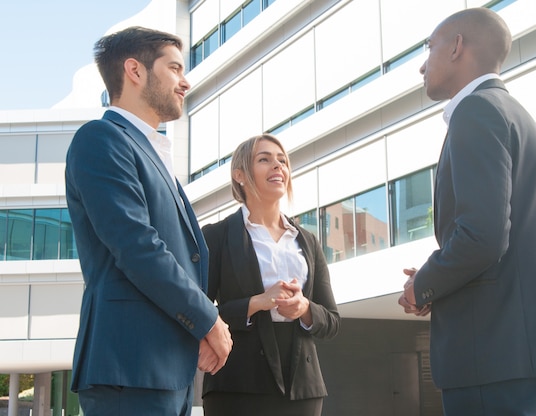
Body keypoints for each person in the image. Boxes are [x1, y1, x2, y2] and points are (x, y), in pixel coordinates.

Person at [397, 8, 536, 416]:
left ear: (457, 47)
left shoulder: (476, 113)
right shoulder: (516, 115)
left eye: (429, 48)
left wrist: (425, 283)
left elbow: (482, 237)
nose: (421, 65)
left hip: (492, 354)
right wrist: (438, 279)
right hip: (529, 352)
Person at [65, 26, 232, 416]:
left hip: (165, 369)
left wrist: (195, 331)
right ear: (135, 71)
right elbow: (138, 247)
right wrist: (209, 321)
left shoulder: (153, 152)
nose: (185, 81)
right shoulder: (102, 139)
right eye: (174, 68)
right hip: (128, 368)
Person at [201, 134, 340, 416]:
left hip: (302, 388)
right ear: (239, 175)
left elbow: (332, 321)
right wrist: (257, 302)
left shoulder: (308, 241)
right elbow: (199, 310)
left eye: (282, 161)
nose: (278, 166)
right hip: (237, 384)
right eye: (264, 159)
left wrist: (305, 309)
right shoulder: (216, 236)